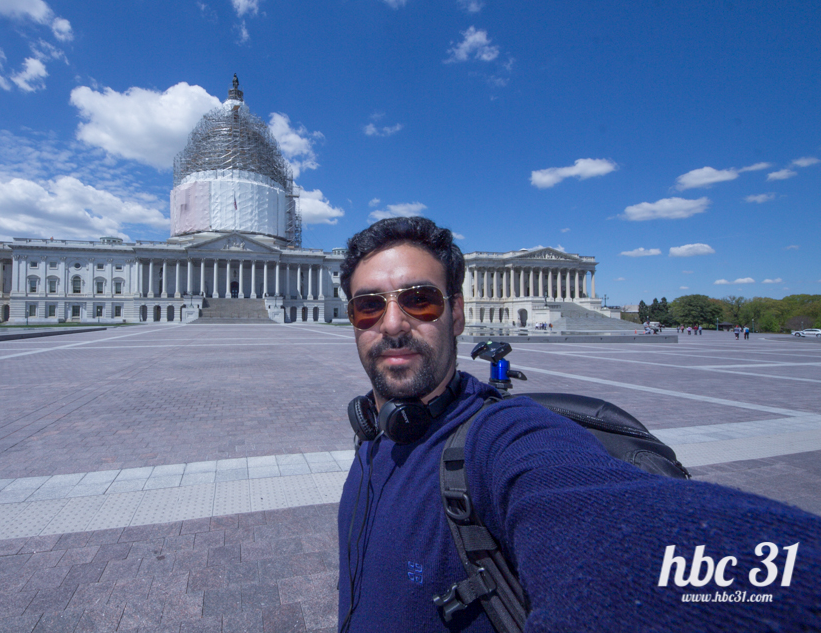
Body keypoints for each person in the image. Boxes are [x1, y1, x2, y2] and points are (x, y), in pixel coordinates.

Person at [336, 217, 819, 632]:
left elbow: (614, 524)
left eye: (420, 299)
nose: (392, 323)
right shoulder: (375, 437)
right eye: (369, 305)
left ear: (457, 312)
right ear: (354, 319)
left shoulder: (501, 439)